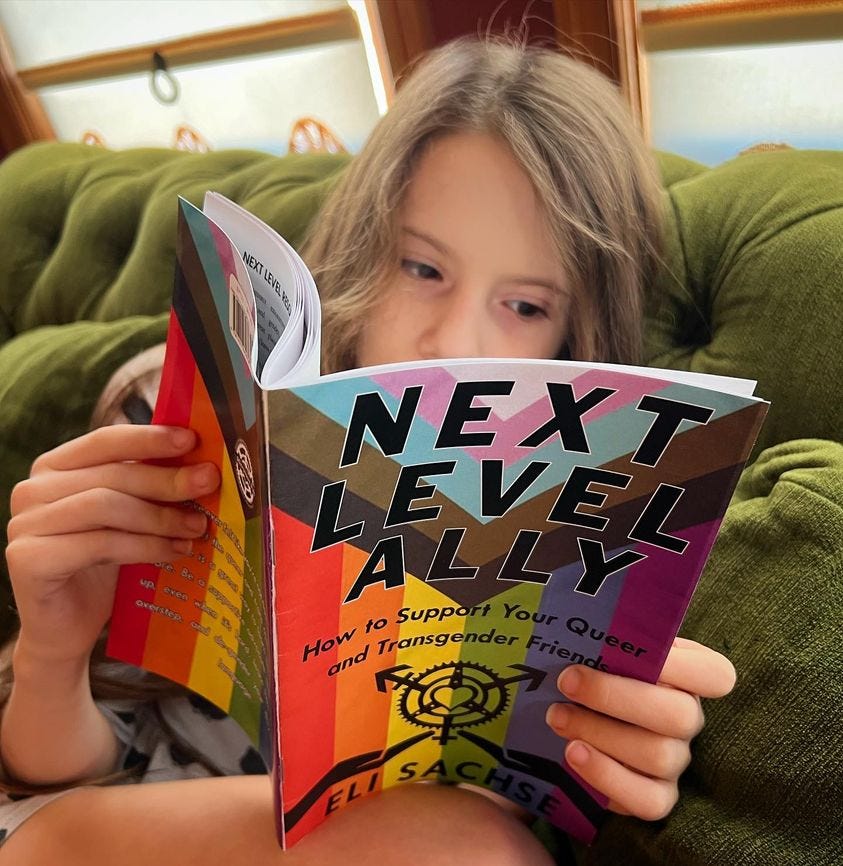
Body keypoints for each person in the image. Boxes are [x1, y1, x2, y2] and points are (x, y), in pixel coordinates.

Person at [0, 38, 736, 864]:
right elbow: (55, 785)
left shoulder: (591, 514)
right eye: (422, 267)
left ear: (577, 332)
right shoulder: (180, 413)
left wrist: (611, 751)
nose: (452, 341)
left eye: (526, 306)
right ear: (362, 247)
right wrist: (52, 653)